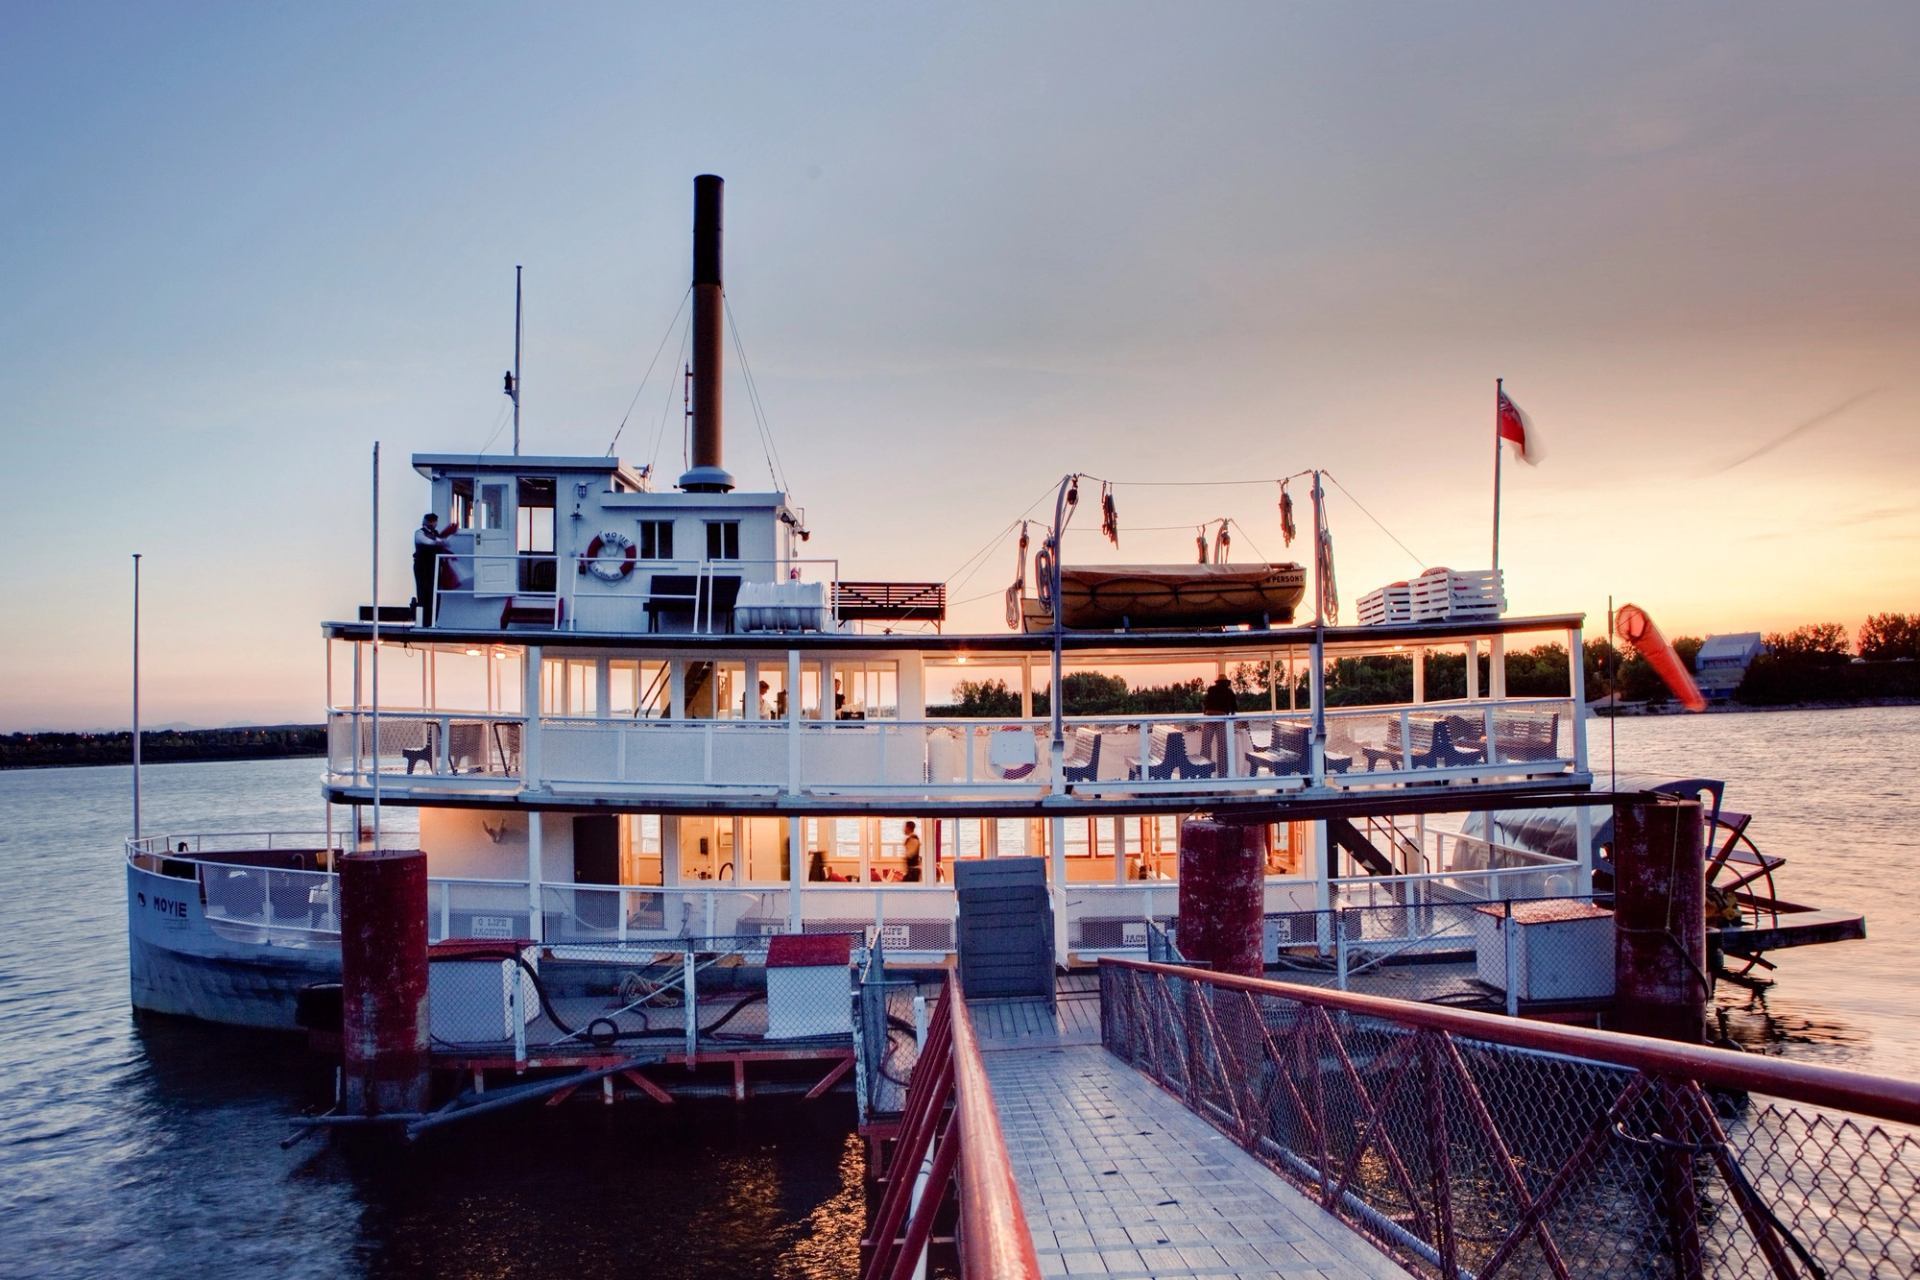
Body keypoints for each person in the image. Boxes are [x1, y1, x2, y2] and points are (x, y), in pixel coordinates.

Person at [413, 513, 459, 625]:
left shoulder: (436, 534)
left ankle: (432, 621)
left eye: (434, 521)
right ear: (426, 522)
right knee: (424, 593)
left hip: (434, 567)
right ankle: (424, 622)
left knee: (435, 594)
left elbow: (441, 542)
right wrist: (440, 542)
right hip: (423, 567)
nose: (433, 523)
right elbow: (427, 541)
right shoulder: (419, 533)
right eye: (431, 521)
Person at [1200, 675, 1236, 772]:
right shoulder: (1229, 692)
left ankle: (1205, 770)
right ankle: (1223, 772)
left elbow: (1205, 704)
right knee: (1222, 747)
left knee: (1206, 746)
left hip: (1209, 717)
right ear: (1226, 683)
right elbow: (1234, 708)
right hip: (1222, 718)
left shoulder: (1211, 690)